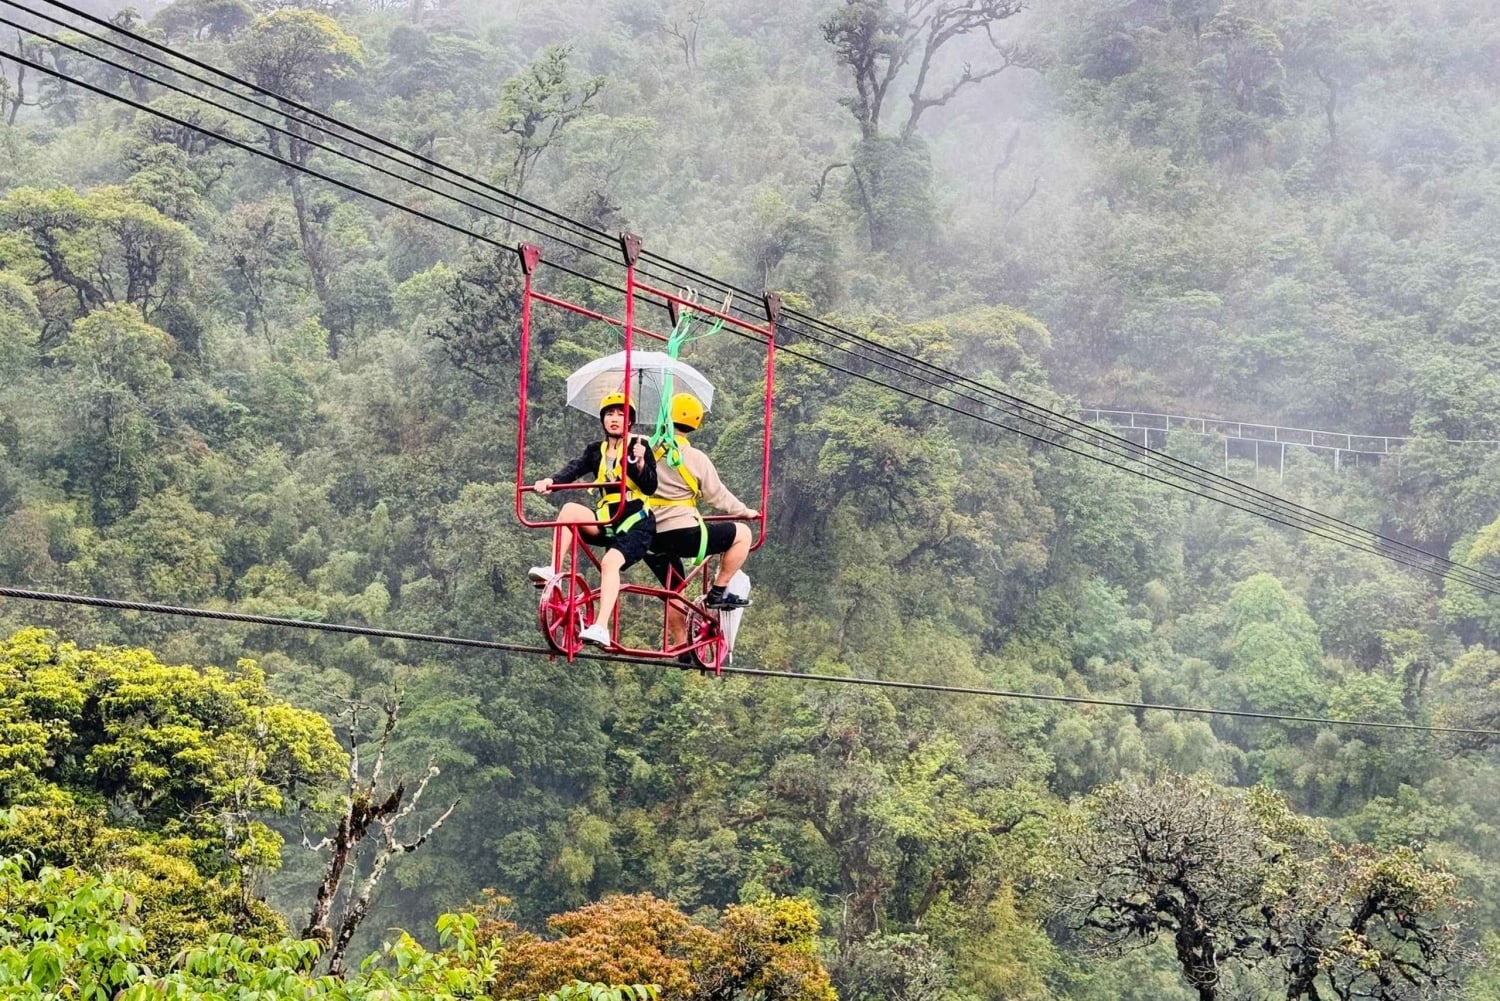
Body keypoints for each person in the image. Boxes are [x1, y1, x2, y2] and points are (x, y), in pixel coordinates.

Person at [529, 391, 657, 648]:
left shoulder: (638, 447)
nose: (615, 419)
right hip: (607, 517)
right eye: (610, 414)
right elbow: (573, 469)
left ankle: (601, 626)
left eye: (621, 415)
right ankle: (553, 569)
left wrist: (641, 463)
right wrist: (551, 482)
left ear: (629, 421)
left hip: (636, 523)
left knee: (610, 563)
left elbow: (650, 486)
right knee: (569, 510)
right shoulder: (595, 450)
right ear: (603, 420)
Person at [645, 393, 757, 657]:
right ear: (694, 424)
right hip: (683, 532)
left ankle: (682, 644)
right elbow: (717, 496)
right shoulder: (695, 458)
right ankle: (718, 591)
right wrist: (744, 512)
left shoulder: (648, 451)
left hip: (650, 535)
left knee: (675, 588)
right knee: (742, 534)